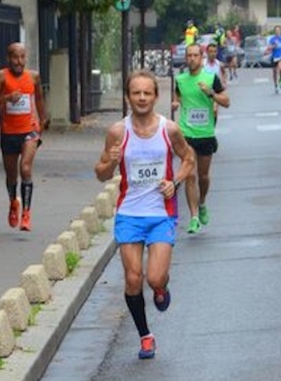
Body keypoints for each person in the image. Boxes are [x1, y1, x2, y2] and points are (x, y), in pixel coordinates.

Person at [95, 69, 195, 360]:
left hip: (161, 214)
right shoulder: (117, 132)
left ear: (156, 96)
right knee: (133, 278)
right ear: (128, 97)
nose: (141, 98)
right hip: (129, 213)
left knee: (154, 278)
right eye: (136, 93)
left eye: (147, 93)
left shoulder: (170, 130)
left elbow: (188, 159)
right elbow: (100, 173)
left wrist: (174, 182)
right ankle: (145, 336)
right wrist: (110, 164)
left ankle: (161, 288)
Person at [0, 42, 48, 232]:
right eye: (15, 57)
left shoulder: (33, 77)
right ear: (8, 59)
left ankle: (26, 214)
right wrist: (5, 98)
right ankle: (13, 203)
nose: (19, 61)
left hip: (30, 129)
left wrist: (42, 121)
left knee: (25, 168)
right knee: (11, 175)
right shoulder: (2, 76)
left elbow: (39, 100)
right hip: (9, 132)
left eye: (22, 57)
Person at [172, 43, 230, 234]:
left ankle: (202, 202)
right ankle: (194, 217)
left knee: (203, 177)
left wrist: (211, 93)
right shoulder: (180, 79)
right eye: (188, 55)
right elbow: (178, 98)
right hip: (186, 134)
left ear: (201, 57)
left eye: (195, 55)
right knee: (190, 175)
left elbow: (227, 102)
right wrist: (174, 103)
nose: (191, 59)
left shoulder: (211, 78)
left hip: (205, 134)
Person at [203, 43, 227, 126]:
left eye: (214, 52)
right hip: (204, 90)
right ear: (207, 52)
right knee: (206, 111)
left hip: (215, 90)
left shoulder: (219, 64)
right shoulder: (202, 64)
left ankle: (212, 127)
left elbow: (224, 73)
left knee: (215, 110)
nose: (212, 54)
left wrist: (223, 82)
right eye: (210, 52)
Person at [265, 25, 281, 93]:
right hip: (274, 57)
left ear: (280, 31)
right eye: (276, 31)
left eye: (278, 30)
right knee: (274, 73)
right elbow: (269, 48)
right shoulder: (272, 39)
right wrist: (274, 46)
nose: (277, 32)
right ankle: (276, 86)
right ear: (275, 32)